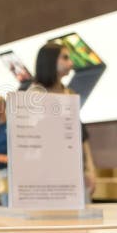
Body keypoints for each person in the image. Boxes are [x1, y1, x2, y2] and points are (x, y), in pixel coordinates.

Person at [31, 42, 97, 200]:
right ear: (49, 61)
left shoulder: (69, 93)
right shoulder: (32, 95)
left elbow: (81, 135)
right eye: (65, 58)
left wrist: (90, 168)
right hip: (43, 177)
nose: (71, 63)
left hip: (73, 173)